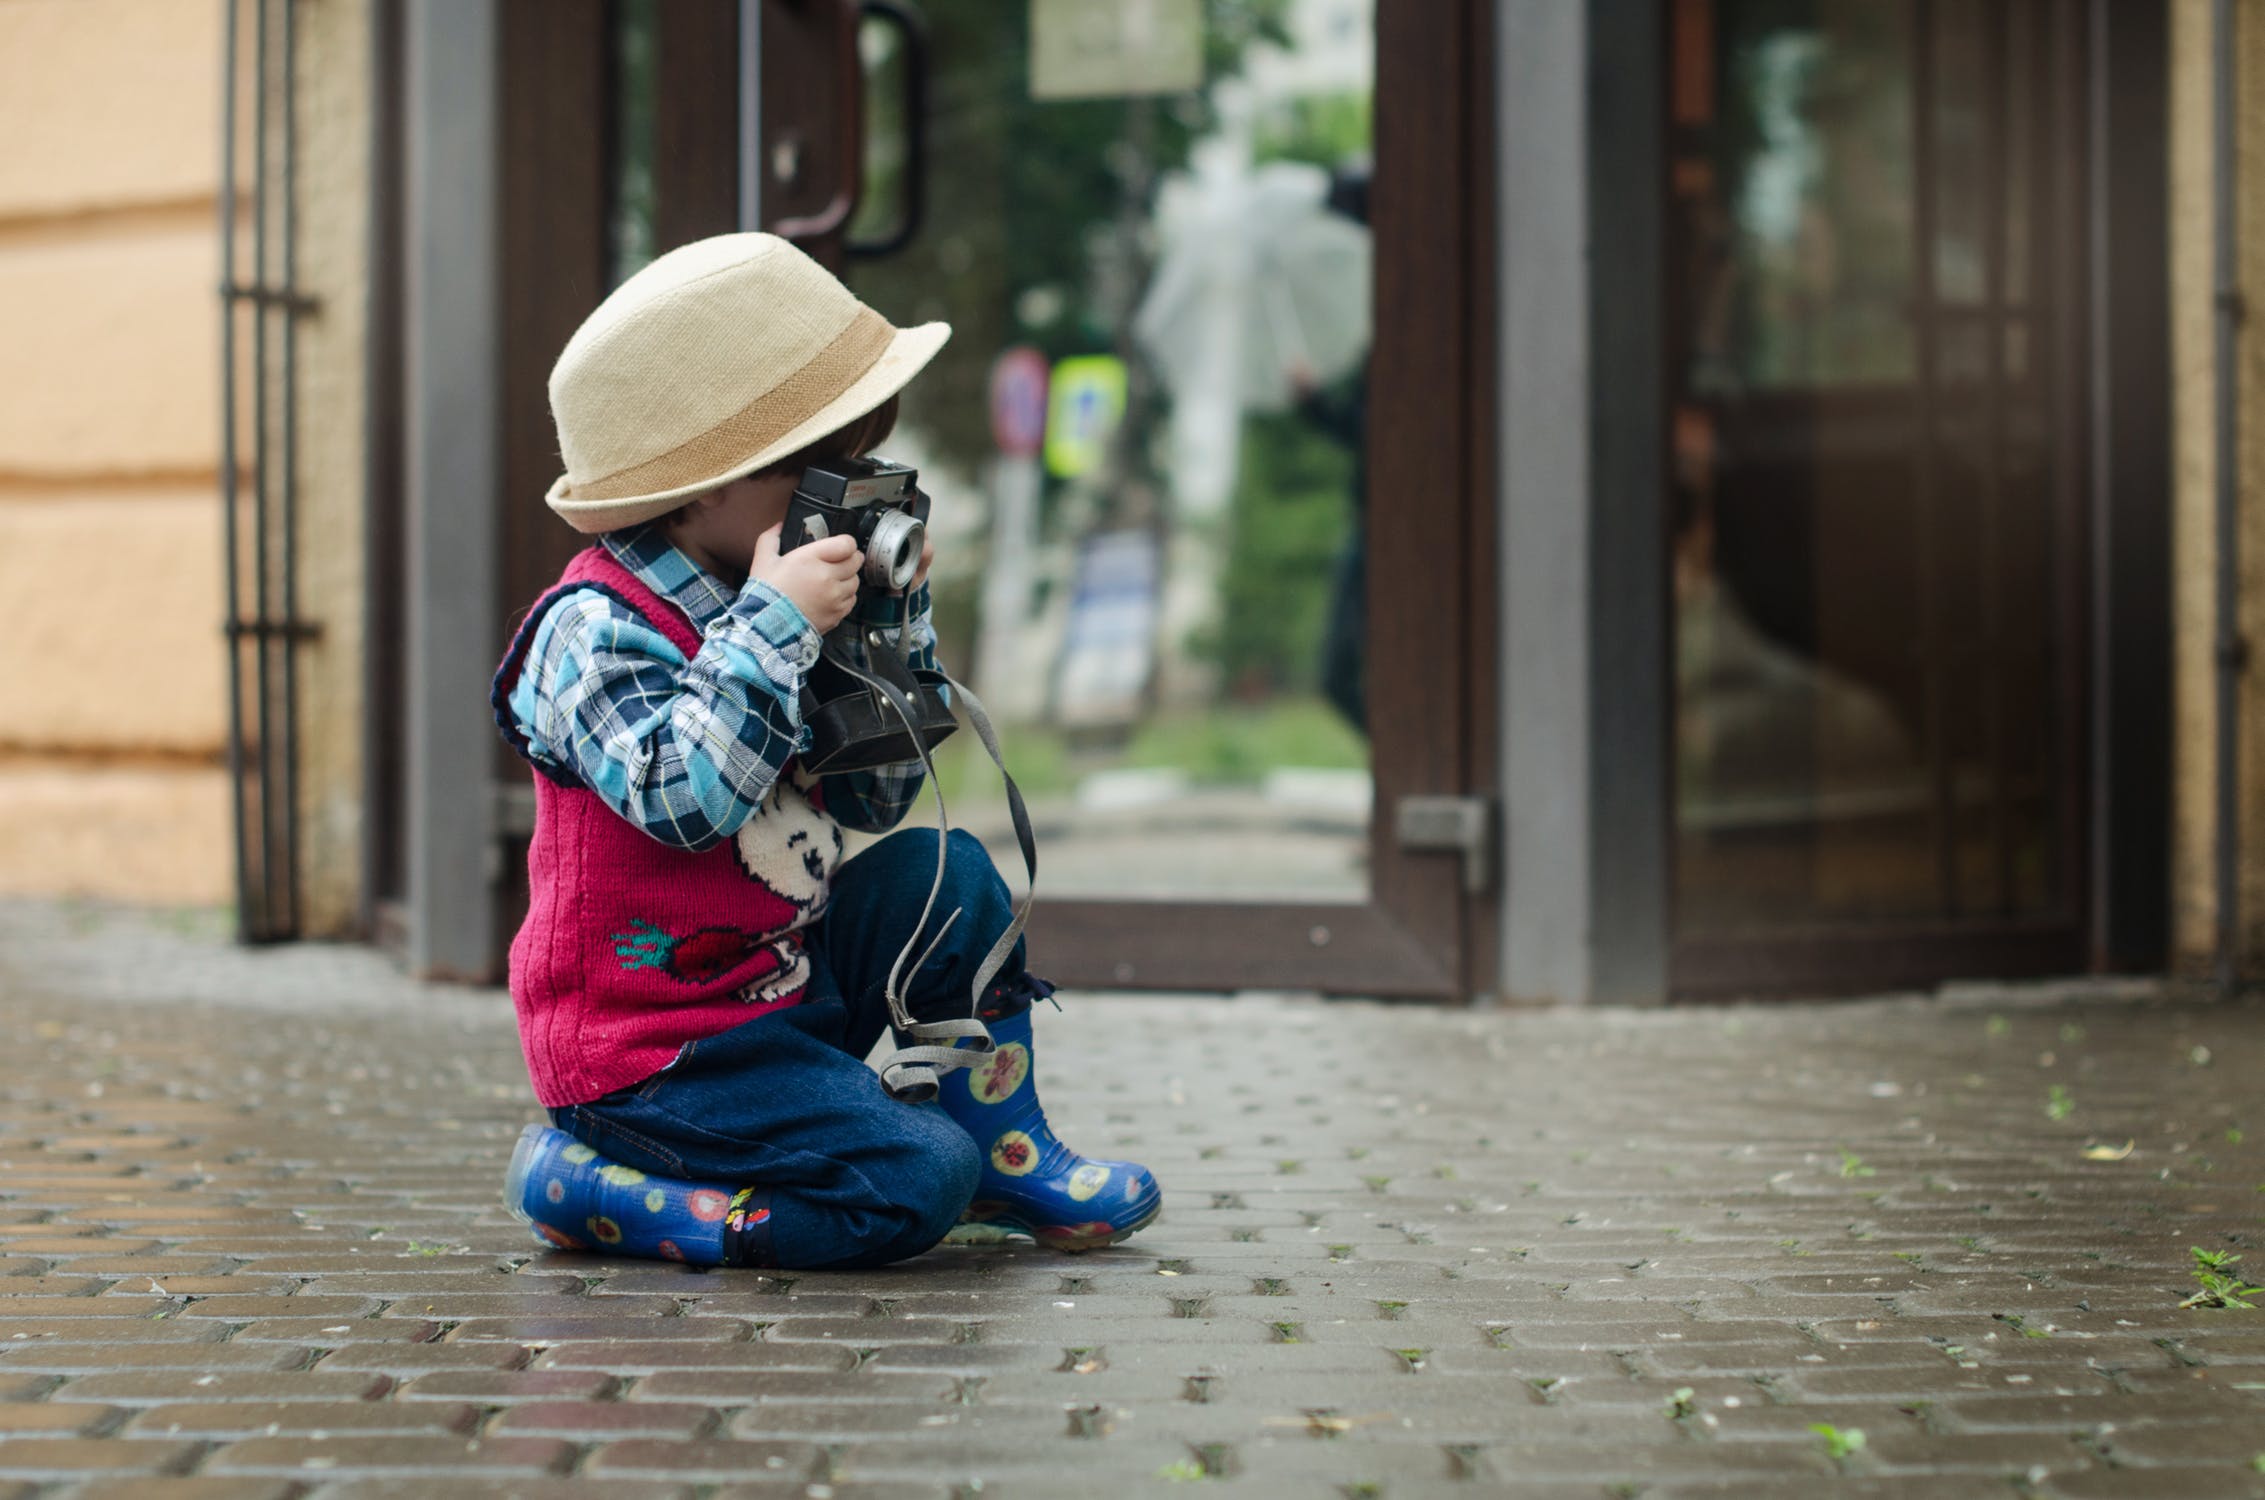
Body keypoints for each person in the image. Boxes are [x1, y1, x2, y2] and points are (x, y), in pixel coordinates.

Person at [490, 233, 1161, 1270]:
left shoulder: (787, 604)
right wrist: (773, 625)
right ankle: (606, 1191)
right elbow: (685, 801)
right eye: (820, 468)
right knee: (911, 1180)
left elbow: (878, 802)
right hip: (653, 1058)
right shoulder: (591, 629)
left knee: (952, 873)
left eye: (858, 461)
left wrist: (891, 626)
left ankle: (1002, 1146)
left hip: (779, 994)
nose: (840, 494)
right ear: (703, 484)